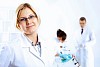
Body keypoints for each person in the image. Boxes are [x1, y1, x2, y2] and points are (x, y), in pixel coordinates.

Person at [0, 3, 54, 67]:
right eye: (23, 19)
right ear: (18, 24)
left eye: (31, 17)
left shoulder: (48, 44)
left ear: (37, 18)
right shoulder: (10, 48)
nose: (28, 22)